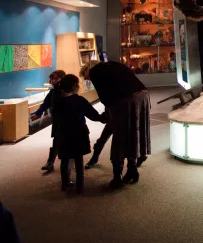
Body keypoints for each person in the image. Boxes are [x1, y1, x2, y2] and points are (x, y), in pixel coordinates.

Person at [80, 60, 150, 189]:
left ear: (88, 69)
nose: (87, 78)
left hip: (126, 101)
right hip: (143, 96)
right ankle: (132, 168)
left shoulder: (95, 71)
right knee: (135, 133)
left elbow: (105, 97)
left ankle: (117, 176)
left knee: (120, 137)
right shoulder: (114, 65)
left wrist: (106, 116)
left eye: (86, 76)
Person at [52, 75, 106, 194]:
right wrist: (105, 117)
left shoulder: (57, 101)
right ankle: (79, 186)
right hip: (78, 134)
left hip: (63, 134)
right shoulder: (79, 100)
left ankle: (64, 183)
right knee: (78, 160)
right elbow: (93, 115)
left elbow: (56, 119)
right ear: (75, 86)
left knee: (65, 160)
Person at [30, 70, 66, 172]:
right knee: (56, 142)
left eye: (54, 78)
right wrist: (38, 113)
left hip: (67, 121)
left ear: (61, 79)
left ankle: (66, 166)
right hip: (57, 121)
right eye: (51, 78)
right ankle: (50, 163)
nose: (51, 81)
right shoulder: (53, 92)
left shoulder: (66, 91)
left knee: (67, 143)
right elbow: (45, 103)